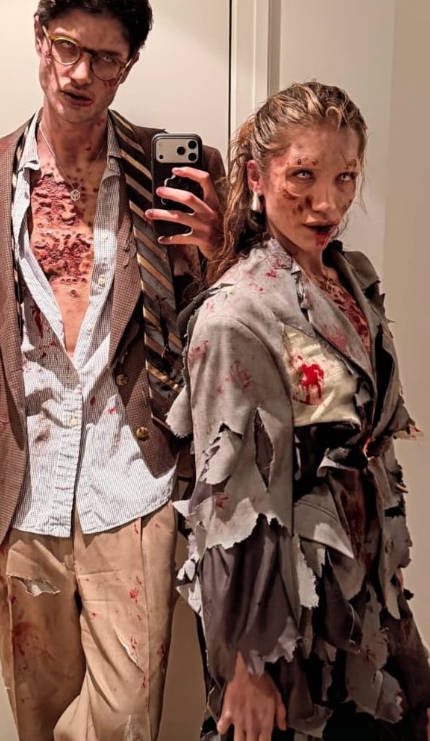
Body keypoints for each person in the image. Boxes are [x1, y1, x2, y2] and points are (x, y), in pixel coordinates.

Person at [0, 0, 225, 741]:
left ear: (129, 66)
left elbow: (220, 328)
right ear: (39, 37)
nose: (80, 73)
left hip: (134, 480)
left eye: (105, 58)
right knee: (38, 711)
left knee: (123, 718)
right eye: (66, 47)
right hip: (21, 484)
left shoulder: (169, 170)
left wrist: (216, 250)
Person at [168, 81, 430, 741]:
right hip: (285, 608)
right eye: (303, 176)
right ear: (257, 177)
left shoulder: (352, 278)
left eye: (345, 177)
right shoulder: (235, 315)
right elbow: (228, 500)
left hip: (365, 584)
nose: (328, 202)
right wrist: (247, 665)